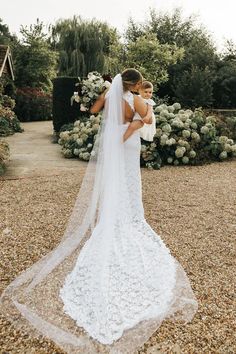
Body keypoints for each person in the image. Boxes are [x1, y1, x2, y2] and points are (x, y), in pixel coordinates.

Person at [0, 69, 198, 354]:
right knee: (129, 183)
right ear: (135, 85)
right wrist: (130, 129)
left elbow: (94, 110)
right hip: (127, 146)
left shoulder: (111, 95)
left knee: (114, 185)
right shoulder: (136, 101)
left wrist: (108, 104)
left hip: (112, 145)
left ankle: (114, 216)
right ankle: (129, 217)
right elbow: (149, 120)